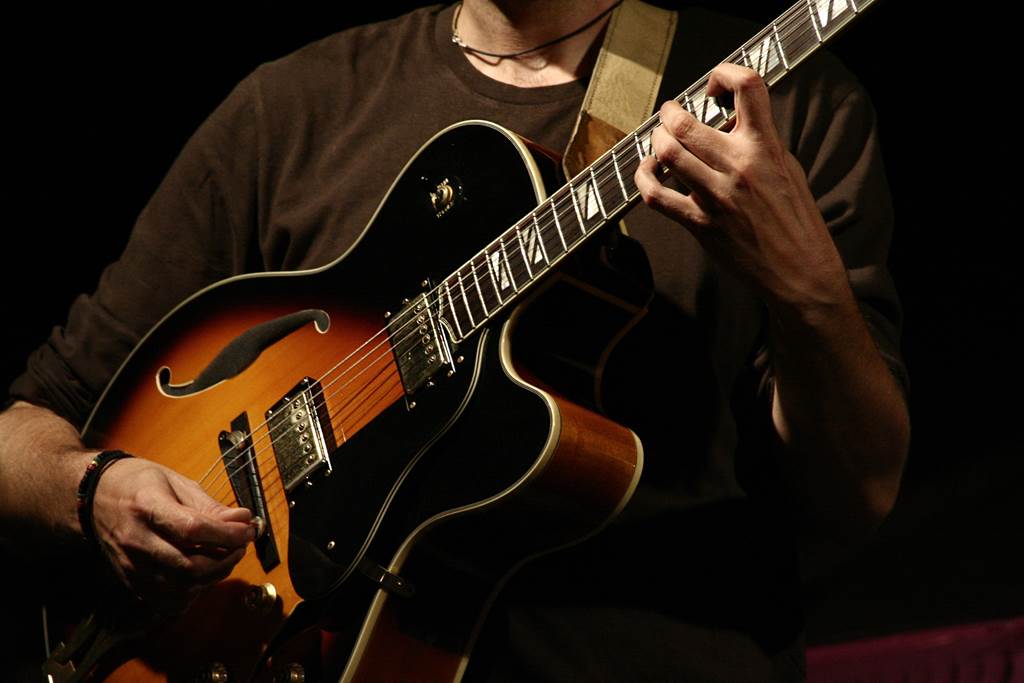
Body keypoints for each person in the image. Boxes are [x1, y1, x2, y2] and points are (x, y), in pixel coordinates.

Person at [0, 0, 909, 680]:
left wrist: (812, 294)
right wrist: (96, 493)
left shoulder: (777, 108)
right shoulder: (292, 109)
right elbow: (21, 432)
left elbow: (856, 497)